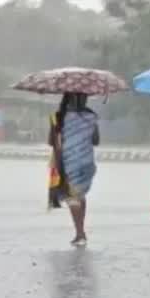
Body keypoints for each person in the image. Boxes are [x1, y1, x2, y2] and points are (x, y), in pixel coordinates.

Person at [48, 92, 99, 246]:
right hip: (87, 162)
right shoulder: (91, 116)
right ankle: (80, 231)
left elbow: (52, 141)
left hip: (68, 161)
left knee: (72, 198)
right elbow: (96, 141)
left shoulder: (58, 116)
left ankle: (80, 233)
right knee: (80, 196)